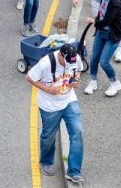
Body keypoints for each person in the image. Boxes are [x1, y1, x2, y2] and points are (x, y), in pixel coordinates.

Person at [25, 42, 85, 184]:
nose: (68, 66)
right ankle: (45, 162)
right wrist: (48, 89)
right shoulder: (45, 63)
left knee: (77, 132)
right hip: (49, 106)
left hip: (69, 100)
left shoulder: (74, 58)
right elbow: (29, 77)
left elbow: (79, 70)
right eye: (65, 63)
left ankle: (74, 171)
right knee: (48, 136)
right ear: (60, 55)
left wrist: (76, 80)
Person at [83, 0, 121, 98]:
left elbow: (107, 21)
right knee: (94, 59)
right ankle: (93, 82)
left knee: (104, 62)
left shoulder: (115, 3)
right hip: (101, 33)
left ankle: (115, 83)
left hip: (112, 35)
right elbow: (101, 14)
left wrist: (93, 21)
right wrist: (96, 19)